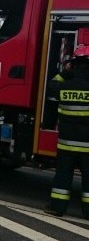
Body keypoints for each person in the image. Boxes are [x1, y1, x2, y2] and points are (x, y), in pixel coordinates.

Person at [45, 44, 89, 218]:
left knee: (62, 177)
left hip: (66, 145)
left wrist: (66, 72)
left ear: (74, 64)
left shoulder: (63, 87)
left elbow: (52, 84)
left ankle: (57, 207)